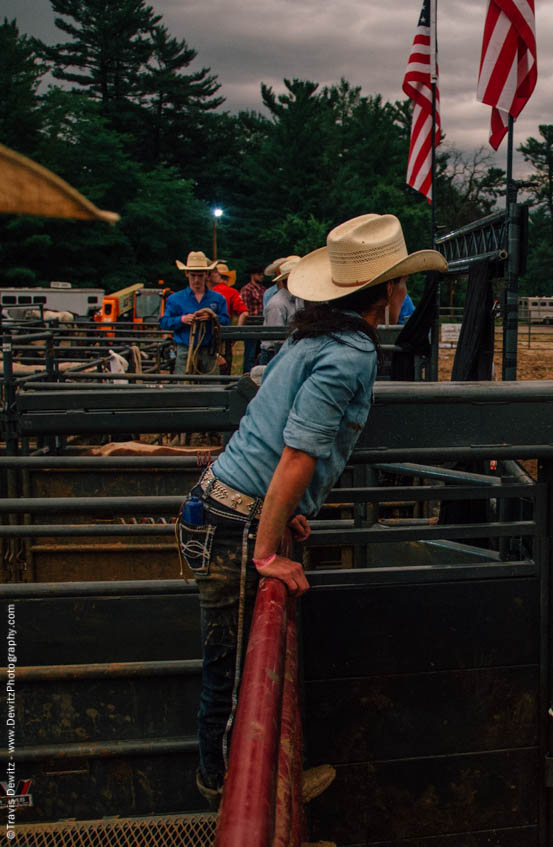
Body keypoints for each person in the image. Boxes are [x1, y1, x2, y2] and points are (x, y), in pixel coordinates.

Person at [180, 213, 447, 807]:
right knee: (233, 669)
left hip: (221, 501)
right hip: (239, 517)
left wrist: (287, 511)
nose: (405, 292)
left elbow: (267, 413)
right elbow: (299, 453)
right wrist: (268, 549)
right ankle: (229, 798)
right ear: (386, 290)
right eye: (402, 282)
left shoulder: (314, 336)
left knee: (233, 659)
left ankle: (238, 788)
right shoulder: (349, 354)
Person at [162, 251, 230, 375]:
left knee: (211, 388)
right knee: (184, 388)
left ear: (206, 275)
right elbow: (164, 322)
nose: (196, 280)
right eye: (193, 275)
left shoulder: (218, 298)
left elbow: (226, 320)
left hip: (209, 350)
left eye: (200, 275)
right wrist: (182, 320)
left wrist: (212, 318)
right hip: (185, 350)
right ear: (186, 274)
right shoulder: (175, 299)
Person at [258, 258, 305, 366]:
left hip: (286, 351)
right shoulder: (277, 304)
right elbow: (276, 339)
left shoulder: (297, 299)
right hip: (275, 354)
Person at [240, 267, 268, 367]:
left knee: (259, 355)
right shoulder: (246, 289)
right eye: (259, 274)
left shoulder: (263, 289)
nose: (261, 276)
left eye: (261, 274)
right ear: (253, 275)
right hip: (251, 326)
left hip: (261, 326)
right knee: (250, 356)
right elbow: (244, 308)